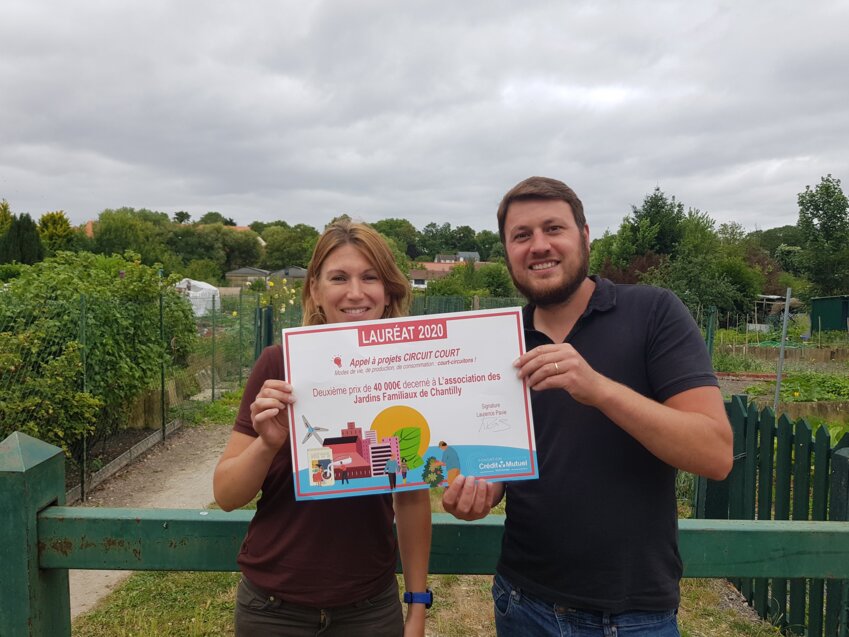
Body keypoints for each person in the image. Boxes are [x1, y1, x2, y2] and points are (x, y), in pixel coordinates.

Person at [442, 176, 733, 636]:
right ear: (507, 252)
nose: (538, 245)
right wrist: (479, 493)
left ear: (584, 235)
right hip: (522, 603)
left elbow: (714, 454)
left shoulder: (653, 312)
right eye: (521, 235)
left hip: (634, 615)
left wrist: (598, 388)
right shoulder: (496, 341)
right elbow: (500, 467)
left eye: (553, 228)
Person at [214, 220, 432, 637]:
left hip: (370, 609)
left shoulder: (407, 374)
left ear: (388, 291)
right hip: (273, 610)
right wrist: (266, 444)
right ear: (314, 289)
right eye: (338, 278)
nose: (355, 292)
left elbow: (411, 497)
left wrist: (417, 607)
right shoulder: (278, 365)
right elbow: (225, 495)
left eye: (370, 277)